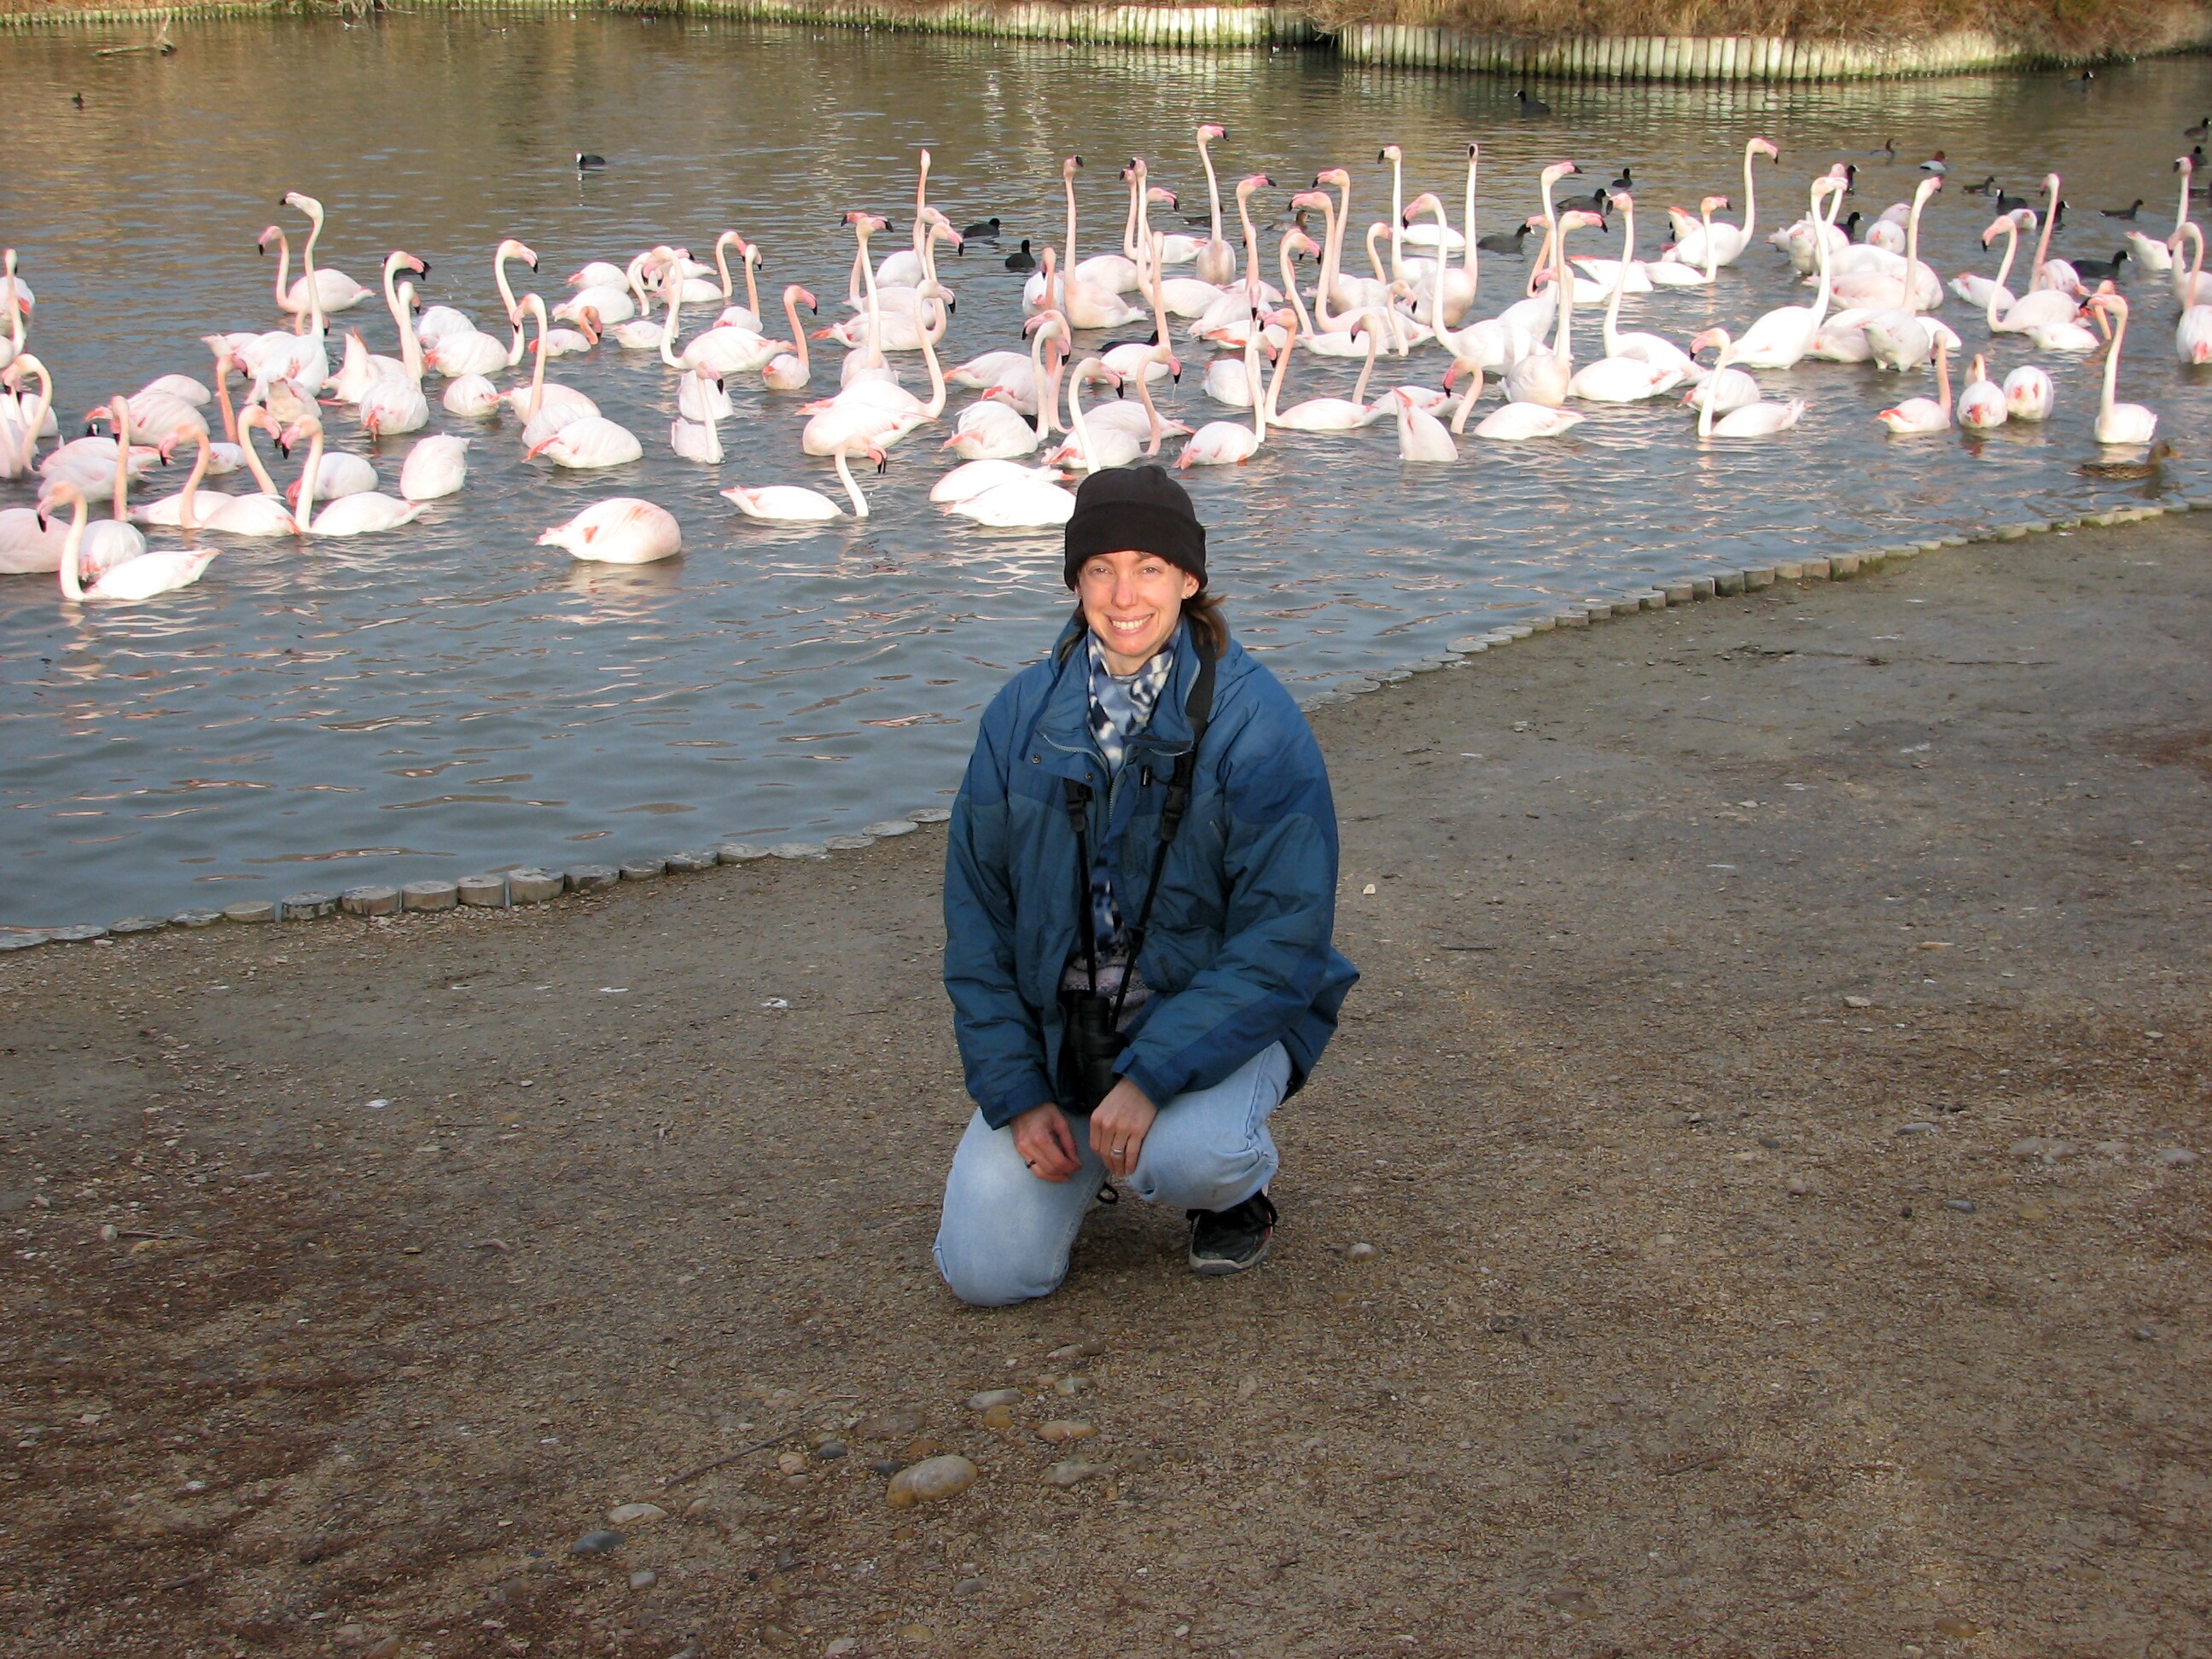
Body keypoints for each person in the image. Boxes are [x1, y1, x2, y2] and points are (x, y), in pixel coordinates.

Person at [934, 466, 1358, 1307]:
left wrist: (1154, 1075)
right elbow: (978, 923)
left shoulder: (1257, 724)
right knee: (987, 1276)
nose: (1123, 595)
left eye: (1149, 568)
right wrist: (1017, 1092)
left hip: (1207, 1023)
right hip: (1066, 1041)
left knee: (1189, 1155)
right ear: (1076, 581)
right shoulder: (1018, 717)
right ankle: (1089, 1147)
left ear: (1188, 579)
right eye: (1100, 569)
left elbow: (1284, 938)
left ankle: (1229, 1191)